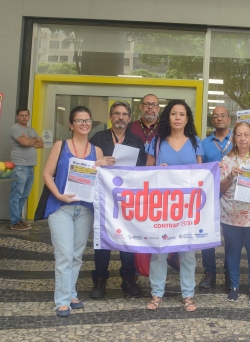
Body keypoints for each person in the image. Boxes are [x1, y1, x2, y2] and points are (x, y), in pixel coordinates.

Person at [42, 106, 107, 317]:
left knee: (77, 255)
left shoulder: (96, 150)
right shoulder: (61, 146)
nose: (84, 124)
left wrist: (102, 165)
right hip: (61, 208)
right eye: (79, 120)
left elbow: (100, 181)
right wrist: (59, 195)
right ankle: (61, 300)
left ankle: (71, 293)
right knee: (64, 255)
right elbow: (46, 174)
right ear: (71, 125)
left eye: (87, 120)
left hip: (85, 210)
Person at [145, 99, 203, 313]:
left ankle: (188, 294)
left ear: (187, 119)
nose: (177, 118)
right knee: (159, 251)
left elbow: (201, 175)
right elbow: (146, 172)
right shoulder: (157, 141)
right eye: (174, 114)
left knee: (187, 252)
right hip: (161, 206)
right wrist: (159, 170)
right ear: (167, 117)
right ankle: (156, 293)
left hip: (187, 206)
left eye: (182, 114)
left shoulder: (196, 142)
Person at [89, 101, 147, 299]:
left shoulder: (136, 141)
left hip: (127, 199)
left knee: (126, 238)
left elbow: (141, 170)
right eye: (116, 114)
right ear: (111, 117)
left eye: (124, 114)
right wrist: (101, 161)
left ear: (129, 118)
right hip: (104, 197)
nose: (120, 117)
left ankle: (128, 278)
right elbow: (89, 165)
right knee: (102, 240)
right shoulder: (98, 138)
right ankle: (100, 279)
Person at [220, 122, 250, 304]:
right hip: (231, 213)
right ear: (234, 138)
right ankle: (234, 286)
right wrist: (230, 176)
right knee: (232, 251)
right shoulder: (227, 160)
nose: (242, 138)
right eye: (239, 135)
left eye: (246, 135)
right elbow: (220, 187)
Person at [198, 106, 233, 289]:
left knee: (231, 237)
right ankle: (209, 272)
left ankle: (230, 272)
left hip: (233, 196)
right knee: (207, 235)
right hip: (210, 195)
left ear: (229, 118)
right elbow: (198, 169)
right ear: (212, 121)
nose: (219, 119)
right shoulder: (204, 143)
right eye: (215, 117)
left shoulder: (238, 140)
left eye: (223, 115)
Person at [9, 108, 44, 231]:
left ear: (29, 116)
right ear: (17, 116)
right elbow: (24, 143)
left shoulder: (31, 130)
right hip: (19, 166)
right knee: (16, 194)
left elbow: (42, 144)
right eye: (21, 115)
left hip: (30, 166)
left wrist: (30, 141)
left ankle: (19, 220)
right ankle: (14, 221)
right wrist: (32, 140)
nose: (24, 117)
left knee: (24, 195)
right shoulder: (15, 128)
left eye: (26, 115)